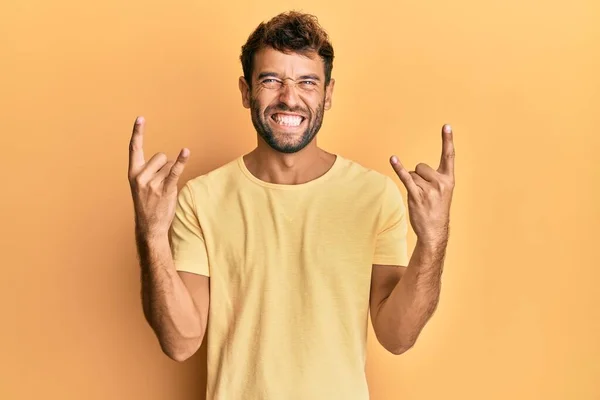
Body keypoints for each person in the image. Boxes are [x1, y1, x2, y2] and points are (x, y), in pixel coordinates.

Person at [127, 11, 455, 400]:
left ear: (328, 94)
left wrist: (432, 241)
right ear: (246, 91)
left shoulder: (375, 196)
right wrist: (151, 234)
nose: (289, 97)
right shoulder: (202, 198)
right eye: (270, 80)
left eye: (307, 82)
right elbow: (180, 342)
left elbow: (397, 337)